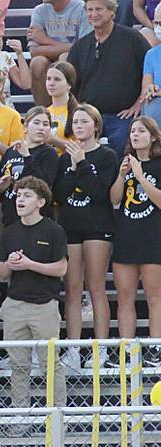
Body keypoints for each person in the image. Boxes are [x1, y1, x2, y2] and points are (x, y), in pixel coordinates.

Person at [0, 177, 68, 431]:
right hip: (15, 305)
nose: (20, 200)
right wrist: (11, 263)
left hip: (44, 306)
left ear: (40, 202)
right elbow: (2, 272)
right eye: (18, 195)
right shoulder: (10, 232)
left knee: (51, 364)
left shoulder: (53, 230)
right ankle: (20, 420)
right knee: (18, 366)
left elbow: (61, 268)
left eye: (26, 196)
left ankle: (58, 419)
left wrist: (30, 265)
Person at [54, 104, 118, 368]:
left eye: (84, 121)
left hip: (97, 226)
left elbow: (99, 192)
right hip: (70, 225)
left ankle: (100, 349)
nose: (79, 126)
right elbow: (58, 195)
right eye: (76, 122)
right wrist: (71, 167)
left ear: (95, 125)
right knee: (72, 289)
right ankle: (72, 349)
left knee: (95, 288)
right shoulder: (63, 157)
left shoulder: (106, 156)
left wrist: (81, 164)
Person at [109, 116, 161, 365]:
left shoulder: (158, 165)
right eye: (132, 131)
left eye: (141, 131)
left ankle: (155, 349)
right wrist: (122, 176)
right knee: (124, 297)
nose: (135, 135)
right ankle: (127, 351)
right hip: (126, 236)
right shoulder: (126, 163)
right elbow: (115, 200)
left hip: (153, 237)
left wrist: (140, 176)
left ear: (153, 136)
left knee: (155, 297)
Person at [67, 0, 151, 155]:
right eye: (90, 10)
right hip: (89, 116)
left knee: (121, 142)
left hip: (122, 117)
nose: (93, 14)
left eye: (99, 9)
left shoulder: (133, 39)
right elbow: (69, 84)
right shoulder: (80, 46)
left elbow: (151, 70)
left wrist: (139, 104)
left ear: (112, 12)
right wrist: (80, 110)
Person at [0, 106, 59, 227]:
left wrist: (26, 156)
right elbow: (0, 193)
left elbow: (43, 184)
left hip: (37, 221)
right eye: (36, 123)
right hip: (11, 218)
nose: (41, 128)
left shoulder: (49, 153)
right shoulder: (11, 151)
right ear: (26, 127)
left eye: (46, 124)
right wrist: (1, 188)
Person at [27, 0, 92, 106]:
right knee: (37, 63)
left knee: (64, 59)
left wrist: (45, 40)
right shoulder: (39, 11)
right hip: (48, 57)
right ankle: (42, 112)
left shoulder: (81, 8)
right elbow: (34, 51)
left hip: (77, 61)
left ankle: (68, 109)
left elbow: (82, 48)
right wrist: (67, 47)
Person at [46, 61, 79, 152]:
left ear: (69, 84)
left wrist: (53, 140)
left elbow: (85, 147)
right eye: (48, 79)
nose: (51, 83)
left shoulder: (80, 112)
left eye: (57, 79)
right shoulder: (44, 112)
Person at [142, 6, 161, 125]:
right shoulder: (151, 55)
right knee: (150, 104)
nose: (158, 27)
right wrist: (150, 89)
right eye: (156, 23)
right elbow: (146, 88)